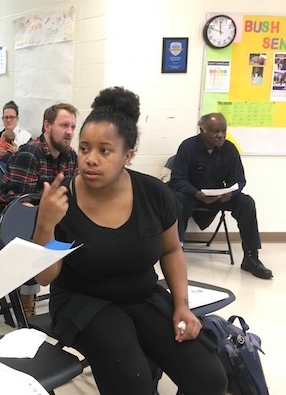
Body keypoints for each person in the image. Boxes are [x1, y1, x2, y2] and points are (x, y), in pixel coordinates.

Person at [33, 87, 227, 395]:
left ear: (128, 155)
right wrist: (45, 224)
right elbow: (45, 276)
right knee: (132, 381)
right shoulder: (63, 200)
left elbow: (171, 249)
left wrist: (182, 305)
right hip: (83, 300)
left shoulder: (153, 194)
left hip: (141, 295)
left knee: (209, 376)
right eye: (84, 149)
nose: (91, 159)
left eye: (104, 151)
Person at [0, 102, 78, 316]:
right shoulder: (30, 153)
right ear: (47, 126)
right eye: (64, 125)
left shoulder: (71, 156)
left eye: (73, 127)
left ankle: (68, 291)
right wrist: (50, 216)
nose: (69, 132)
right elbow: (20, 201)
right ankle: (28, 294)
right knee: (36, 231)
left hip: (48, 213)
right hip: (11, 214)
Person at [169, 112, 273, 280]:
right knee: (177, 200)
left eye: (223, 130)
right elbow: (178, 179)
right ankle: (175, 253)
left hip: (220, 196)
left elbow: (239, 180)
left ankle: (251, 257)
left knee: (246, 203)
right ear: (202, 130)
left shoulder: (230, 149)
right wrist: (197, 194)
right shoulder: (188, 147)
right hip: (193, 195)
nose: (221, 135)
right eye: (215, 131)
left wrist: (231, 193)